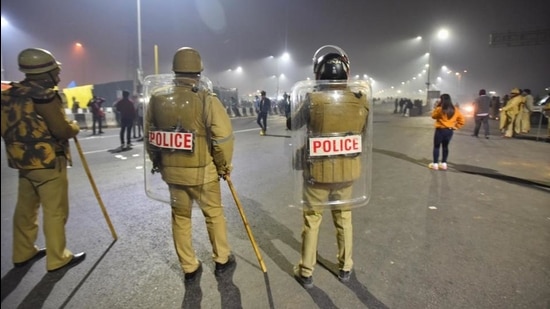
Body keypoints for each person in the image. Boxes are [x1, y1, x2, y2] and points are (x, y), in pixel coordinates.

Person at [144, 47, 235, 283]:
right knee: (213, 214)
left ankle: (189, 266)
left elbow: (151, 137)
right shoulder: (206, 99)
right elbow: (223, 138)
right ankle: (222, 259)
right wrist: (223, 166)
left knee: (180, 217)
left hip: (172, 174)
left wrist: (159, 163)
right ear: (198, 72)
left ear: (175, 71)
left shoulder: (157, 99)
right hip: (203, 173)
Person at [287, 46, 370, 288]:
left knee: (312, 220)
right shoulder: (360, 100)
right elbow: (361, 135)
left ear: (319, 73)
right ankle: (345, 267)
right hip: (347, 172)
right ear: (346, 73)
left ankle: (306, 271)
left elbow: (294, 124)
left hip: (318, 173)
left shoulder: (313, 99)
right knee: (344, 217)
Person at [0, 48, 86, 272]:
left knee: (25, 208)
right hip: (47, 162)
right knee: (55, 211)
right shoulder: (44, 95)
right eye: (55, 72)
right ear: (45, 73)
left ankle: (22, 251)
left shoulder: (9, 94)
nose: (57, 76)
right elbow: (61, 130)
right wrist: (74, 127)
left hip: (22, 161)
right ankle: (58, 257)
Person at [429, 93, 465, 170]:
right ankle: (444, 163)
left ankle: (435, 164)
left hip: (440, 130)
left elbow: (433, 116)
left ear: (442, 100)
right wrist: (455, 127)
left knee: (436, 147)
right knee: (445, 146)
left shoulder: (440, 109)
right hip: (449, 131)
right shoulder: (455, 109)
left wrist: (437, 106)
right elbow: (462, 120)